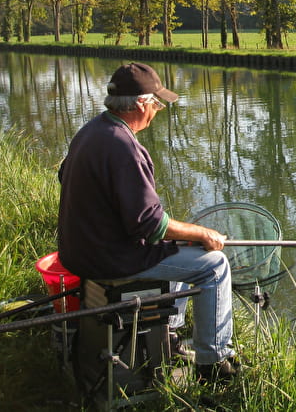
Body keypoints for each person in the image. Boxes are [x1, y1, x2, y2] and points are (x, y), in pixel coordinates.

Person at [57, 62, 240, 382]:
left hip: (80, 252)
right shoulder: (124, 147)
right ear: (142, 104)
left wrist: (187, 236)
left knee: (181, 244)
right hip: (109, 259)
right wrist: (202, 233)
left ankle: (169, 337)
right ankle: (213, 363)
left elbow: (64, 176)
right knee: (214, 266)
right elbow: (150, 225)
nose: (157, 112)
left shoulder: (92, 130)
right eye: (157, 104)